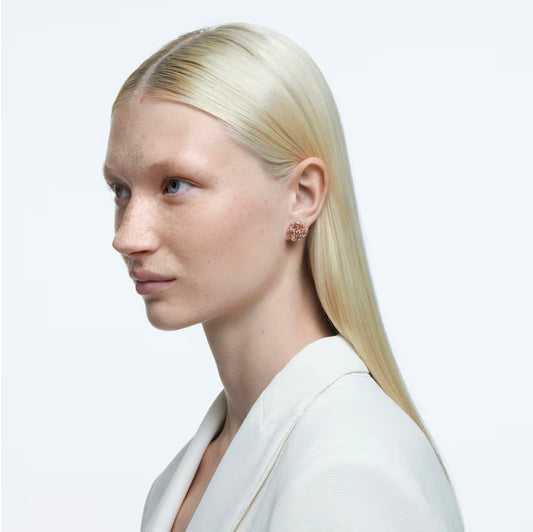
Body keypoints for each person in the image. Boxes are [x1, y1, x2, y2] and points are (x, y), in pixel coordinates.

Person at [103, 22, 464, 532]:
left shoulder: (347, 469)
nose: (127, 237)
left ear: (303, 195)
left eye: (175, 184)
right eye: (121, 190)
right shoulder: (185, 476)